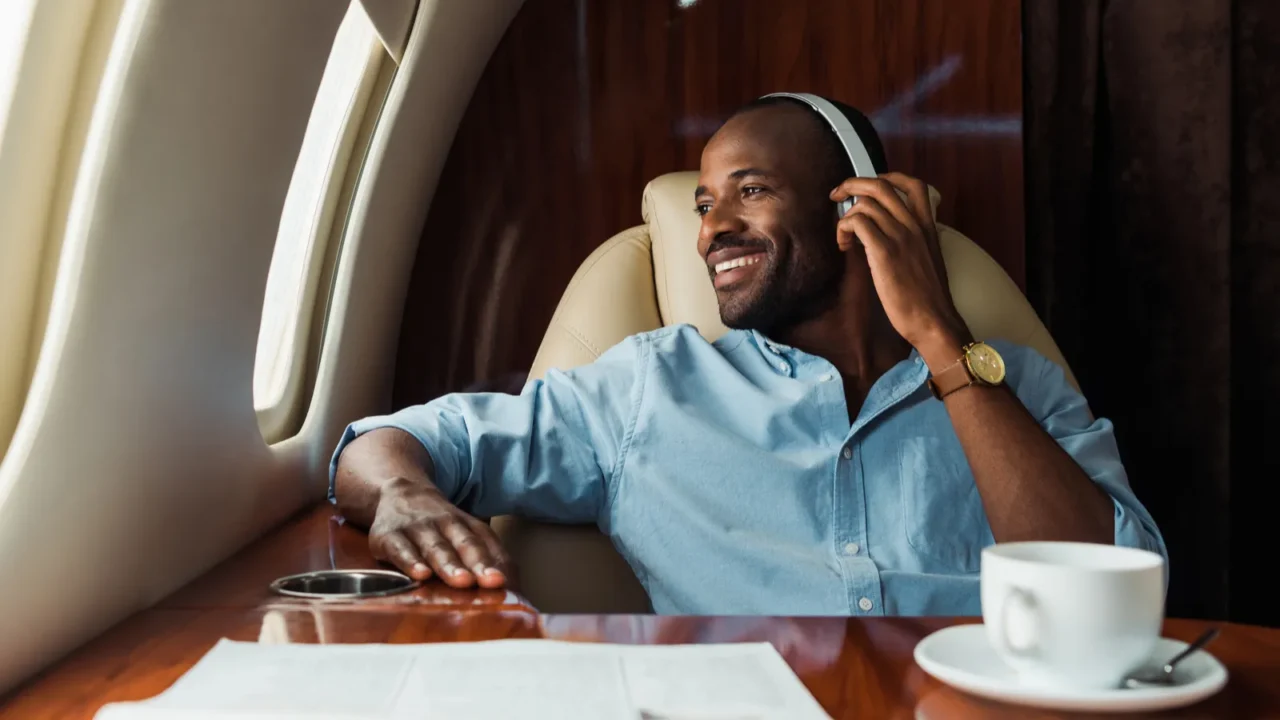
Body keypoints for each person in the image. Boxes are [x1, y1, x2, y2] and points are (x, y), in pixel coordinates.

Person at [330, 95, 1166, 615]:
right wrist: (401, 494)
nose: (711, 230)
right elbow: (393, 442)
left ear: (859, 210)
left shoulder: (1013, 381)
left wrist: (941, 340)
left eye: (751, 191)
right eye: (703, 203)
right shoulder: (651, 387)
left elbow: (1117, 583)